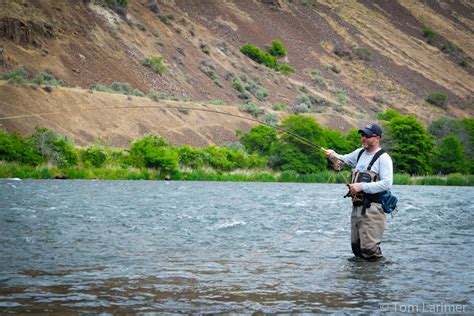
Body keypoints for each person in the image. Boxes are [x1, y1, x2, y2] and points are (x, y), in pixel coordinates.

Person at [326, 123, 393, 260]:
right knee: (356, 248)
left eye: (367, 135)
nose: (363, 138)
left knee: (369, 250)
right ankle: (358, 280)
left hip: (373, 208)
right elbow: (342, 160)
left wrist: (361, 186)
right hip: (357, 207)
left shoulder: (383, 158)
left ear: (377, 138)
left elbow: (387, 184)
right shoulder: (359, 153)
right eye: (362, 135)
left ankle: (375, 279)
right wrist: (332, 155)